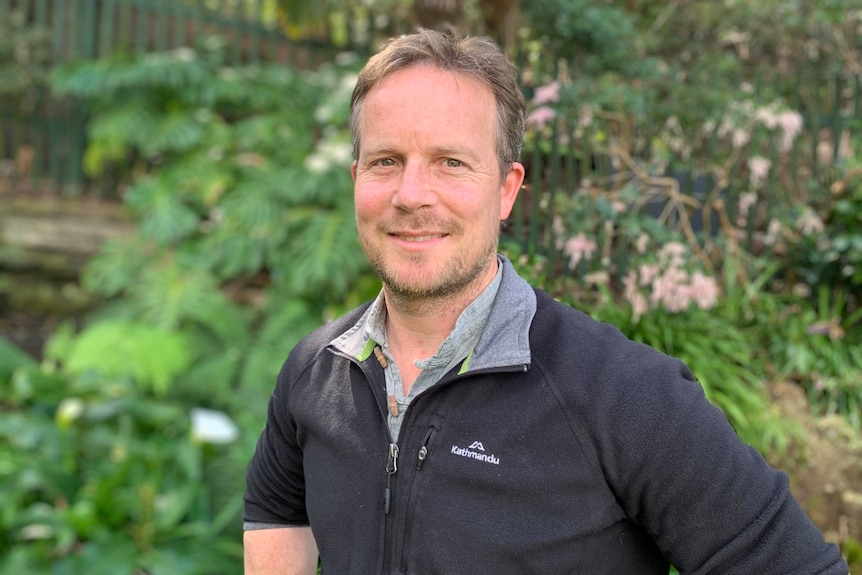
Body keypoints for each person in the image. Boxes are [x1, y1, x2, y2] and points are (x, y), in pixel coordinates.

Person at [243, 29, 849, 574]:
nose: (411, 193)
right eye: (386, 162)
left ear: (506, 190)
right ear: (356, 181)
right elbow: (274, 511)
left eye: (451, 163)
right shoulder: (313, 373)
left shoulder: (625, 397)